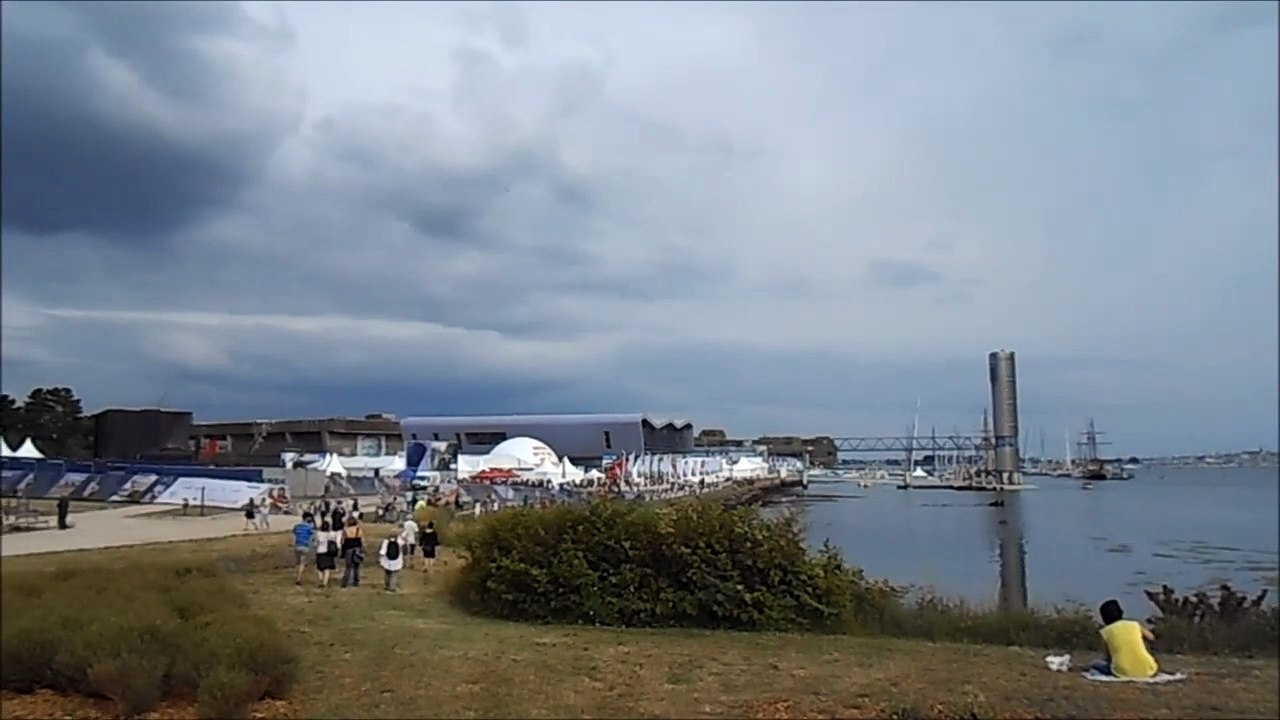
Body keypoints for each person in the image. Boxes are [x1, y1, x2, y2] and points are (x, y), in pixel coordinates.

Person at [1091, 598, 1159, 679]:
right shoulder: (1134, 624)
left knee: (1095, 664)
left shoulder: (1106, 631)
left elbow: (1108, 656)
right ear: (1121, 612)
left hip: (1122, 671)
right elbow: (1151, 638)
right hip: (1148, 668)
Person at [339, 516, 365, 588]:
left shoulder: (346, 530)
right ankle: (356, 581)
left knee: (348, 566)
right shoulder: (358, 529)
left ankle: (345, 582)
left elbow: (342, 541)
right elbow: (361, 539)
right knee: (356, 566)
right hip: (357, 548)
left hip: (348, 549)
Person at [290, 514, 316, 586]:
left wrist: (293, 542)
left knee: (298, 563)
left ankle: (297, 575)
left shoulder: (297, 526)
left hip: (297, 545)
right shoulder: (309, 527)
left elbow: (293, 534)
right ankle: (299, 578)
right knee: (302, 563)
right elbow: (313, 536)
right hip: (305, 546)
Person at [315, 520, 339, 588]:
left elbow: (316, 543)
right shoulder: (332, 534)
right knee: (327, 569)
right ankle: (325, 583)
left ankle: (320, 579)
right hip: (328, 552)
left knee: (319, 568)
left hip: (319, 551)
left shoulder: (318, 534)